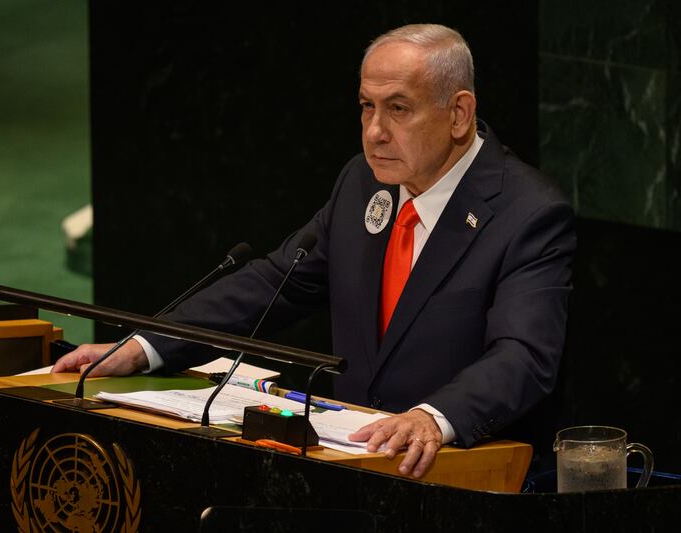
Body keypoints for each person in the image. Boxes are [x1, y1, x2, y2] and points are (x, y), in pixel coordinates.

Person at [53, 24, 575, 479]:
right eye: (367, 107)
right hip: (344, 468)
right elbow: (275, 283)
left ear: (459, 113)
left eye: (398, 109)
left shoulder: (526, 213)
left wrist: (433, 417)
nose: (375, 132)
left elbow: (523, 356)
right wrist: (146, 345)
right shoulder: (362, 184)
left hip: (457, 475)